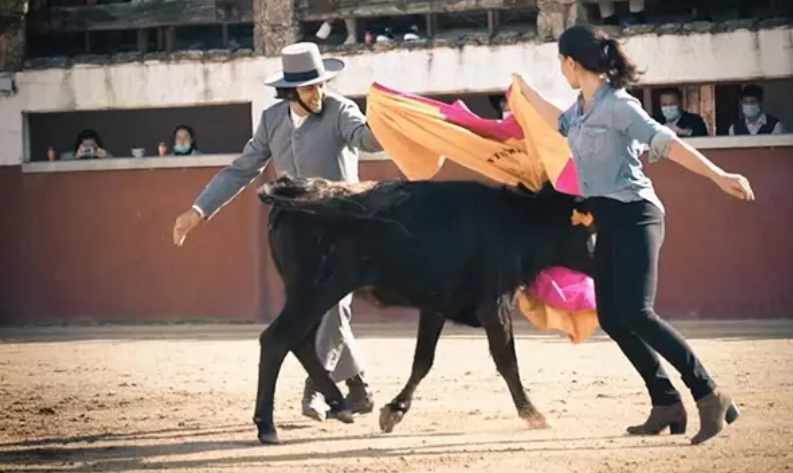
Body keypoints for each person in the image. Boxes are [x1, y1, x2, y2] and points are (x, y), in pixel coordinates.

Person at [514, 25, 754, 445]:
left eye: (560, 63)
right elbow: (559, 123)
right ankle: (665, 402)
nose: (561, 70)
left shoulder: (619, 106)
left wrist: (718, 175)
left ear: (571, 63)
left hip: (638, 215)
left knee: (637, 311)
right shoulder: (582, 108)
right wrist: (526, 93)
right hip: (609, 219)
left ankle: (708, 392)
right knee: (612, 315)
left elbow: (665, 141)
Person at [172, 42, 382, 423]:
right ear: (290, 92)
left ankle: (318, 386)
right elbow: (242, 169)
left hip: (345, 225)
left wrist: (383, 122)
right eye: (308, 88)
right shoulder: (271, 120)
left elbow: (366, 140)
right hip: (299, 234)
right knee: (312, 305)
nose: (318, 93)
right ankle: (360, 387)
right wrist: (199, 210)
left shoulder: (341, 110)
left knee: (334, 304)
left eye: (320, 85)